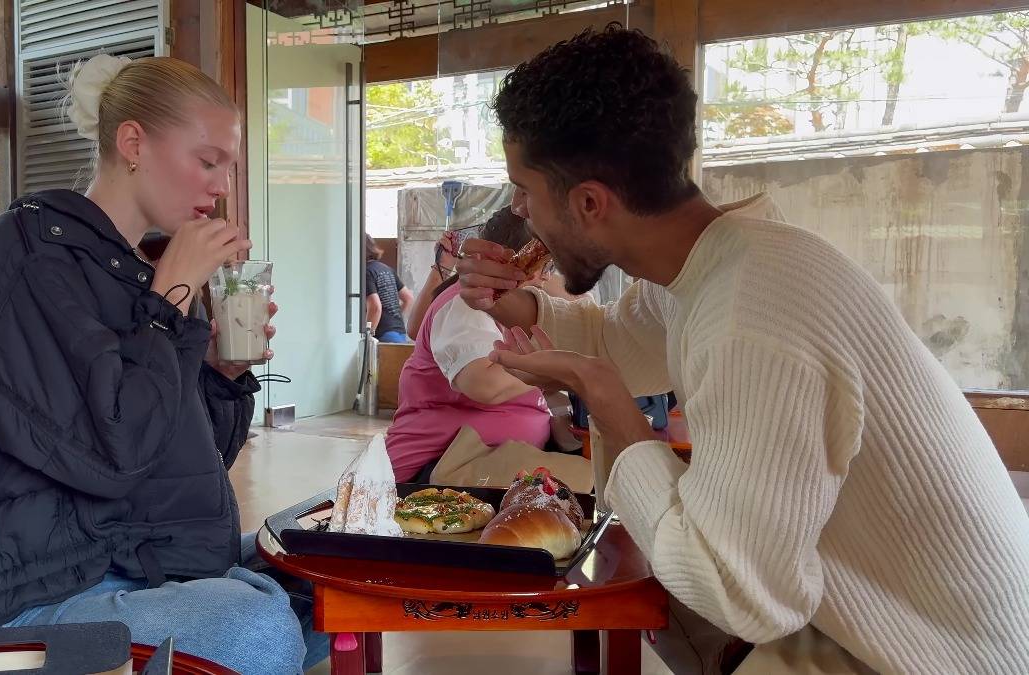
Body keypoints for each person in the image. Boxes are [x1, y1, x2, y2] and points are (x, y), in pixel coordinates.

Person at [457, 26, 1029, 674]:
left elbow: (740, 592)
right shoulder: (727, 257)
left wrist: (610, 404)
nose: (520, 211)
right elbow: (617, 337)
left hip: (941, 651)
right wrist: (519, 305)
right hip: (899, 617)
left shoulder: (750, 316)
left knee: (690, 574)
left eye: (525, 190)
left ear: (590, 202)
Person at [0, 55, 325, 675]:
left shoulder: (134, 277)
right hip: (33, 595)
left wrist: (219, 373)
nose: (220, 187)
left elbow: (178, 464)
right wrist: (173, 296)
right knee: (257, 628)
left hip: (127, 558)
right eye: (207, 161)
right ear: (134, 143)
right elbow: (115, 453)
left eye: (227, 169)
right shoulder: (32, 249)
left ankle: (241, 602)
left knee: (334, 573)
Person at [385, 206, 555, 482]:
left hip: (487, 454)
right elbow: (484, 385)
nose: (547, 276)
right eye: (544, 266)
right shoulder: (465, 305)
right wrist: (557, 368)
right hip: (442, 463)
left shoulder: (506, 302)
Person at [365, 234, 413, 342]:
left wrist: (367, 337)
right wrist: (393, 317)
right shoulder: (386, 269)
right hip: (399, 333)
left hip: (383, 336)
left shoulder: (366, 272)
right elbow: (408, 298)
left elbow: (375, 307)